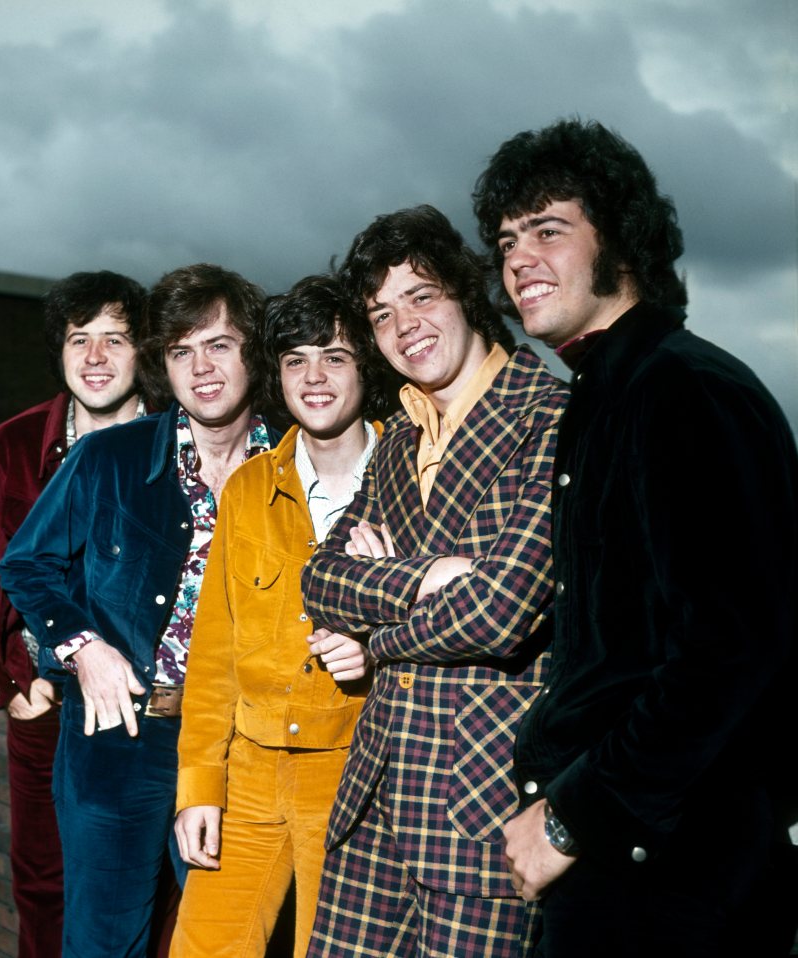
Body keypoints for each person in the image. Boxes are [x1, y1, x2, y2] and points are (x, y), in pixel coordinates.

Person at [472, 117, 798, 957]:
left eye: (549, 230)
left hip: (676, 871)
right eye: (507, 240)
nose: (519, 260)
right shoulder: (606, 393)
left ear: (618, 237)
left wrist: (574, 819)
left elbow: (728, 652)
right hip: (625, 857)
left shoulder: (684, 392)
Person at [300, 206, 570, 957]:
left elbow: (498, 611)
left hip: (476, 812)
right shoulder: (394, 443)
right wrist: (420, 578)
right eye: (381, 313)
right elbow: (318, 579)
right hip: (374, 794)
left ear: (466, 293)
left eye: (420, 296)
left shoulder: (553, 418)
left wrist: (376, 631)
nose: (403, 325)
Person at [0, 263, 280, 958]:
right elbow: (23, 563)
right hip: (117, 740)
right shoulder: (108, 457)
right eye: (181, 352)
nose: (201, 368)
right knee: (103, 942)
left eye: (219, 345)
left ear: (254, 352)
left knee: (228, 940)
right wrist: (82, 647)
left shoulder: (292, 465)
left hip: (236, 748)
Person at [170, 275, 390, 958]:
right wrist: (199, 788)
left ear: (366, 368)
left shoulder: (409, 478)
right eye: (296, 359)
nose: (314, 377)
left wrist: (377, 637)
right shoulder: (248, 487)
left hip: (354, 771)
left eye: (334, 356)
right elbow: (212, 657)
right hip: (250, 771)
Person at [0, 269, 149, 958]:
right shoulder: (15, 444)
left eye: (114, 338)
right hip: (47, 709)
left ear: (143, 349)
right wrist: (8, 681)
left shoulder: (175, 439)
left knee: (153, 892)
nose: (94, 357)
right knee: (44, 888)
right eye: (78, 339)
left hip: (151, 715)